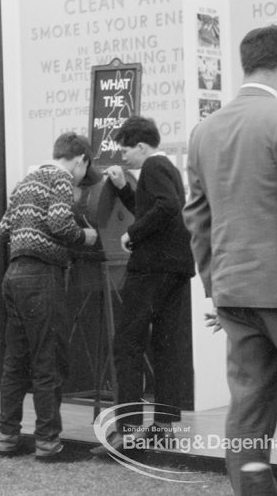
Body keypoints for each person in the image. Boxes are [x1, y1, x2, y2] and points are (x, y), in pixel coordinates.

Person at [183, 24, 277, 495]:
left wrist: (218, 289)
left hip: (237, 297)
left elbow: (197, 220)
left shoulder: (204, 131)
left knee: (247, 417)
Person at [91, 116, 195, 456]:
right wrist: (123, 188)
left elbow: (166, 207)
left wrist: (131, 234)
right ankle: (163, 429)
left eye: (126, 150)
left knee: (128, 344)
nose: (124, 158)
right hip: (175, 270)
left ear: (141, 146)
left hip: (151, 270)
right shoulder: (166, 170)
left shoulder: (153, 167)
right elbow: (153, 208)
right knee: (166, 348)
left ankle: (128, 431)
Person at [0, 133, 99, 460]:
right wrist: (86, 236)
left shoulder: (26, 180)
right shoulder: (62, 179)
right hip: (42, 277)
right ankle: (48, 442)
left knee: (15, 362)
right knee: (47, 361)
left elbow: (3, 229)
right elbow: (57, 221)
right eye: (86, 167)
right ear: (80, 159)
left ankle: (8, 437)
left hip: (13, 275)